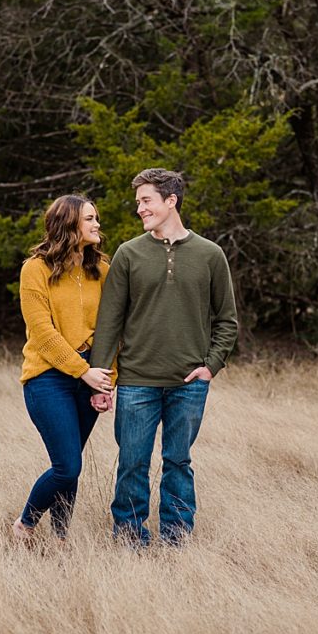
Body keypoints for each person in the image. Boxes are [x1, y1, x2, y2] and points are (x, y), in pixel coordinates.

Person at [89, 168, 238, 546]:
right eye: (138, 201)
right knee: (132, 464)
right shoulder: (129, 253)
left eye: (146, 200)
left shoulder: (210, 255)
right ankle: (128, 538)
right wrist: (101, 377)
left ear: (171, 201)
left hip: (189, 384)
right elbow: (110, 321)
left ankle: (176, 539)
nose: (139, 208)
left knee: (178, 463)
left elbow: (227, 320)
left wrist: (212, 366)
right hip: (138, 381)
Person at [12, 195, 115, 547]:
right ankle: (24, 526)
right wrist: (84, 371)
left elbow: (111, 328)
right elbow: (42, 333)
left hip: (90, 377)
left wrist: (106, 381)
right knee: (67, 466)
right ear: (69, 224)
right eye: (90, 218)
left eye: (96, 217)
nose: (97, 223)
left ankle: (59, 540)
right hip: (48, 378)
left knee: (71, 463)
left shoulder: (101, 269)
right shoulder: (34, 269)